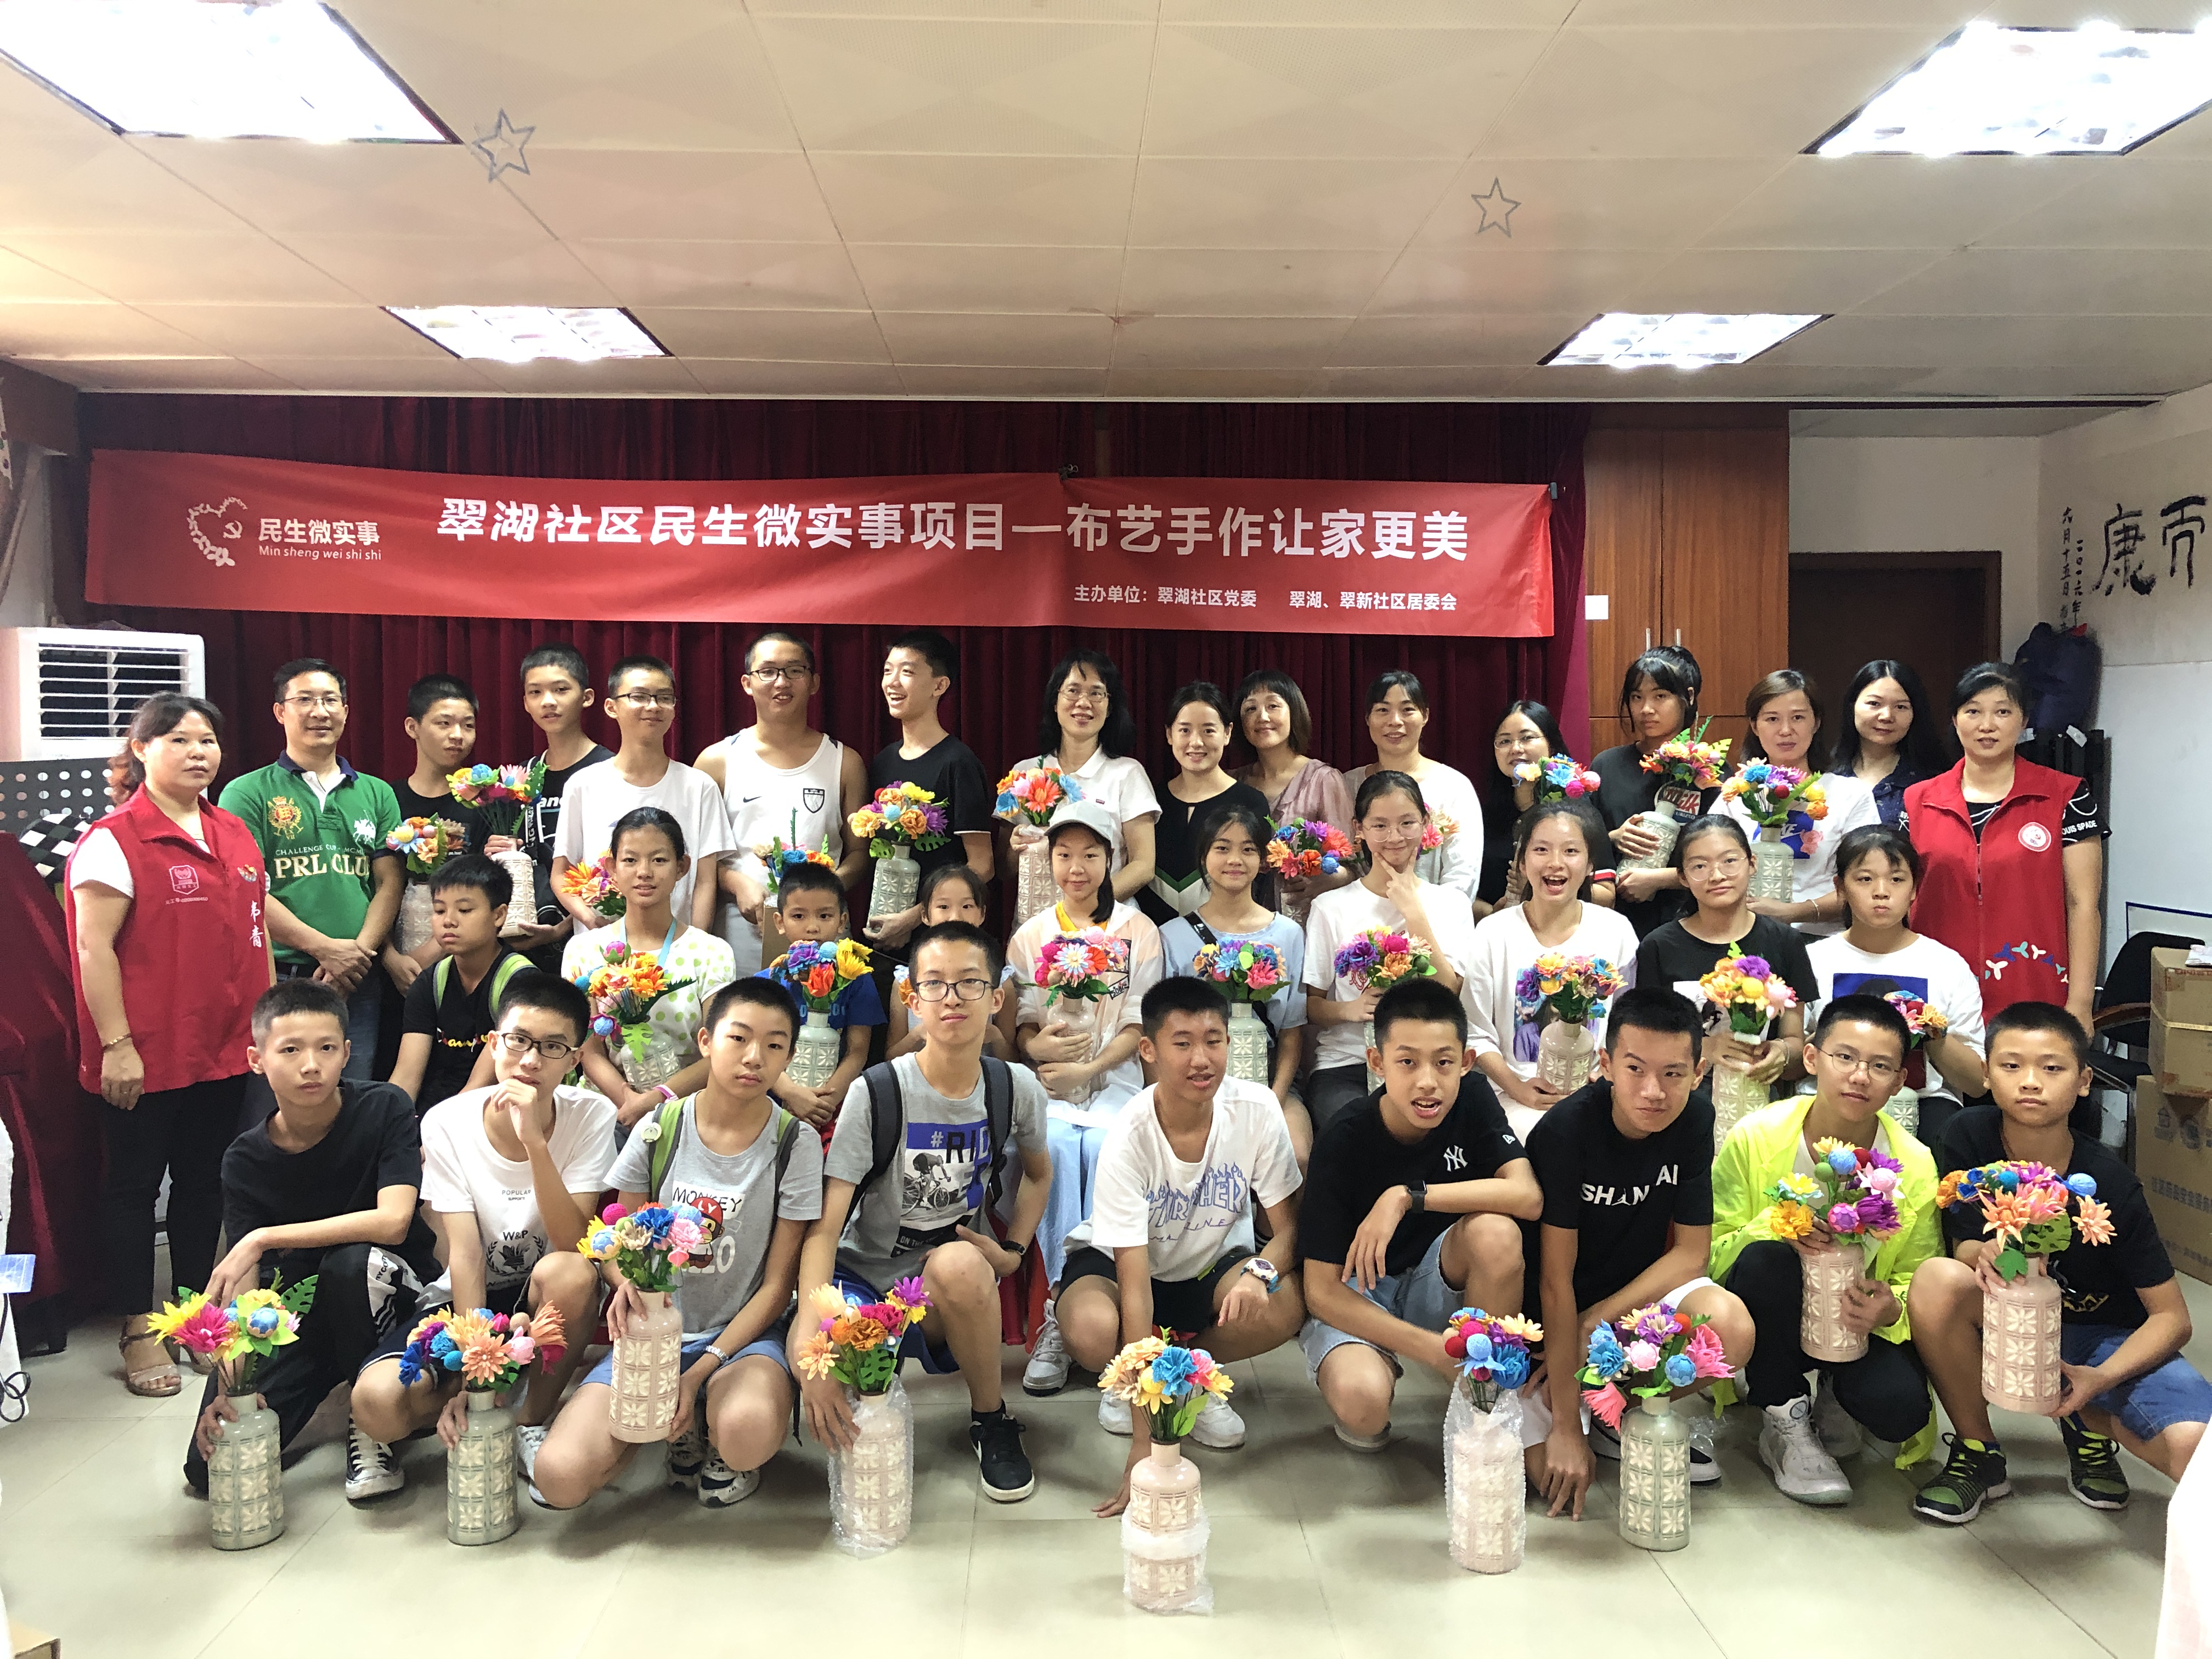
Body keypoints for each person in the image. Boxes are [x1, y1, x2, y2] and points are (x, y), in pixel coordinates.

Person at [1910, 1003, 2208, 1525]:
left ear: (2084, 1080)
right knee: (1939, 1281)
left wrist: (2099, 1378)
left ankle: (2087, 1424)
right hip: (2010, 1317)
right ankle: (1979, 1453)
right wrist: (1985, 1253)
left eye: (2052, 1068)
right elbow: (1962, 1242)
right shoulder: (1967, 1137)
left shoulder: (2109, 1182)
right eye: (2011, 1066)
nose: (2030, 1082)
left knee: (2193, 1446)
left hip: (2101, 1336)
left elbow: (2172, 1318)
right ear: (1986, 1073)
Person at [534, 979, 823, 1510]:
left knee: (745, 1433)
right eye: (739, 1038)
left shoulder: (794, 1143)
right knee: (559, 1477)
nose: (754, 1057)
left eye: (774, 1045)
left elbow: (778, 1287)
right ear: (706, 1041)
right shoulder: (660, 1125)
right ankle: (668, 1428)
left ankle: (713, 1419)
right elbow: (620, 1241)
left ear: (789, 1058)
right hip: (652, 1334)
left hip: (741, 1340)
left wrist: (697, 1372)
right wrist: (624, 1284)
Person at [796, 921, 1053, 1504]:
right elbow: (826, 1229)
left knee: (960, 1263)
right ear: (912, 999)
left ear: (997, 998)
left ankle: (991, 1419)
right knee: (848, 1404)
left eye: (970, 983)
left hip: (940, 1283)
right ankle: (872, 1376)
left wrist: (1013, 1252)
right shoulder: (876, 1091)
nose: (952, 998)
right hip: (862, 1279)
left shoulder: (1014, 1087)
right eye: (934, 984)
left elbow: (1039, 1175)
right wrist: (809, 1331)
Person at [67, 692, 270, 1398]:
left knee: (203, 1182)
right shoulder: (114, 839)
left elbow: (255, 932)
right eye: (179, 739)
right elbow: (93, 950)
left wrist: (263, 1032)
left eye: (207, 740)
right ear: (142, 749)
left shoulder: (234, 832)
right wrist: (116, 1045)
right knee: (133, 1188)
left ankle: (191, 1314)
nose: (197, 752)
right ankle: (136, 1325)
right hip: (144, 1052)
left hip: (223, 1048)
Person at [349, 972, 612, 1492]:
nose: (531, 1060)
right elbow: (465, 1256)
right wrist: (477, 1375)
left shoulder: (591, 1115)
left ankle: (528, 1421)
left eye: (553, 1047)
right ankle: (482, 1404)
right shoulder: (447, 1121)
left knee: (572, 1274)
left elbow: (572, 1243)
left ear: (575, 1060)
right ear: (494, 1043)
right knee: (377, 1404)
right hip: (466, 1296)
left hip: (543, 1293)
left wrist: (535, 1143)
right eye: (519, 1041)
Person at [179, 979, 441, 1502]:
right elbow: (247, 1291)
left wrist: (263, 1238)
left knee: (350, 1266)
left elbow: (393, 1221)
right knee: (212, 1468)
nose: (311, 1066)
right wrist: (232, 1389)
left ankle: (370, 1427)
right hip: (298, 1316)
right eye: (291, 1050)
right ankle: (334, 1385)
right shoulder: (244, 1159)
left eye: (326, 1048)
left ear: (347, 1052)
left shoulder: (384, 1107)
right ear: (257, 1060)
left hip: (393, 1294)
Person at [1056, 978, 1306, 1506]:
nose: (1201, 1059)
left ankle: (1190, 1375)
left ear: (1229, 1043)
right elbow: (1135, 1289)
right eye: (1183, 1043)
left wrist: (1260, 1274)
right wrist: (1147, 1444)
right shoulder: (1129, 1135)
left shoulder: (1257, 1109)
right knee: (1091, 1330)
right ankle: (1130, 1379)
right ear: (1149, 1050)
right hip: (1121, 1267)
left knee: (1284, 1303)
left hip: (1209, 1264)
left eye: (1213, 1041)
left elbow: (1289, 1230)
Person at [1525, 988, 1755, 1519]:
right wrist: (1564, 1426)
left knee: (1731, 1328)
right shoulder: (1566, 1131)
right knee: (1544, 1478)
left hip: (1624, 1306)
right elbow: (1554, 1279)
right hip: (1551, 1317)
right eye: (1635, 1069)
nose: (1654, 1091)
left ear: (1698, 1073)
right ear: (1606, 1064)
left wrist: (1594, 1324)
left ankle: (1616, 1413)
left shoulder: (1695, 1119)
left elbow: (1691, 1254)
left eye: (1673, 1074)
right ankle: (1577, 1413)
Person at [1710, 995, 1941, 1506]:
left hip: (1853, 1324)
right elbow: (1711, 1255)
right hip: (1775, 1308)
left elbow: (1920, 1273)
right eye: (1845, 1057)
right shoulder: (1756, 1136)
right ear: (1812, 1058)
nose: (1860, 1077)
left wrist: (1891, 1308)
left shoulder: (1914, 1163)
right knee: (1766, 1259)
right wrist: (1773, 1226)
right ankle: (1784, 1416)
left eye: (1880, 1066)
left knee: (1900, 1411)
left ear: (1899, 1082)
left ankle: (1835, 1389)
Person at [1297, 978, 1540, 1452]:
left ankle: (1484, 1413)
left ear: (1466, 1063)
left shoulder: (1472, 1097)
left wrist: (1407, 1197)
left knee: (1497, 1233)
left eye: (1443, 1062)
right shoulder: (1344, 1137)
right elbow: (1320, 1292)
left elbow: (1527, 1194)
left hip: (1436, 1281)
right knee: (1363, 1406)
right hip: (1363, 1290)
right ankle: (1383, 1366)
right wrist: (1433, 1351)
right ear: (1377, 1063)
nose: (1427, 1081)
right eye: (1407, 1062)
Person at [1008, 802, 1166, 1325]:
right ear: (1050, 860)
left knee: (1105, 1146)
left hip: (1115, 1080)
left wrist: (1090, 1069)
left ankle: (1102, 1292)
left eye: (1091, 855)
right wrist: (1037, 1049)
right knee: (1052, 1146)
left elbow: (1139, 1024)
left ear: (1111, 858)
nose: (1077, 868)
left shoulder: (1138, 930)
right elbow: (1023, 1022)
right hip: (1051, 1084)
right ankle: (1058, 1302)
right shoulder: (1030, 935)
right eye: (1064, 855)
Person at [218, 657, 403, 1078]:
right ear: (280, 712)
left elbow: (389, 884)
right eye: (305, 700)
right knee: (281, 1097)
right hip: (281, 977)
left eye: (330, 700)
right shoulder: (245, 792)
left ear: (346, 711)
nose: (320, 711)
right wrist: (325, 949)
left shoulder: (377, 793)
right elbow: (247, 891)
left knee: (351, 1093)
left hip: (359, 979)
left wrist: (355, 956)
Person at [1903, 663, 2106, 1035]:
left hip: (2034, 987)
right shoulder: (1917, 801)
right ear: (1955, 719)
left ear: (2024, 720)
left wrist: (2080, 1002)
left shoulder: (2066, 795)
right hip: (1937, 990)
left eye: (2002, 712)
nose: (1987, 725)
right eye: (1973, 711)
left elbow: (2083, 904)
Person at [1302, 771, 1477, 1135]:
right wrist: (1349, 1009)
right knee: (1363, 1133)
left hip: (1427, 1064)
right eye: (1380, 826)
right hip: (1348, 1064)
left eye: (1407, 823)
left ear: (1425, 824)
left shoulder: (1452, 904)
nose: (1395, 837)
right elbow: (1312, 1005)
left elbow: (1450, 991)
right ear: (1359, 829)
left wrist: (1413, 912)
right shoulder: (1329, 907)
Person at [1463, 801, 1639, 1141]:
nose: (1555, 863)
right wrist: (1517, 1088)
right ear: (1522, 862)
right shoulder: (1492, 933)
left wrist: (1606, 1078)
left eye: (1571, 851)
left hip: (1597, 1095)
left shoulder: (1616, 931)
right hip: (1510, 1096)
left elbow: (1627, 1023)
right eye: (1541, 849)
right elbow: (1476, 1031)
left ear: (1590, 864)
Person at [695, 629, 868, 975]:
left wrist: (822, 892)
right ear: (747, 683)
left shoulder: (845, 762)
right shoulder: (717, 761)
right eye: (768, 671)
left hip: (823, 934)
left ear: (814, 682)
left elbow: (859, 854)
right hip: (741, 931)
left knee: (822, 1010)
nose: (781, 682)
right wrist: (737, 884)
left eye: (794, 670)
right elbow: (697, 857)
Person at [1805, 825, 1987, 1149]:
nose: (1881, 892)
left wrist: (1932, 1033)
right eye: (1865, 879)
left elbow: (1976, 1084)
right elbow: (1795, 1064)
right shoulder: (1814, 960)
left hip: (1923, 1105)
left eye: (1897, 879)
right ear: (1840, 888)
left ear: (1915, 889)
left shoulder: (1947, 965)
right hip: (1831, 1102)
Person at [561, 808, 737, 1131]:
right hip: (606, 1111)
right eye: (630, 860)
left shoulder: (712, 952)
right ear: (612, 868)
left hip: (686, 1111)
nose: (644, 872)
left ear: (682, 867)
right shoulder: (584, 950)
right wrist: (627, 1100)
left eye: (659, 860)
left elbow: (718, 1049)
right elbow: (588, 1050)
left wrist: (657, 1099)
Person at [1158, 800, 1311, 1166]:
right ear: (1204, 857)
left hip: (1271, 1081)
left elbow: (1292, 1032)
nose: (1235, 860)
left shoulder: (1288, 934)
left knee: (1296, 1156)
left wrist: (1273, 1099)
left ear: (1263, 861)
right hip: (1196, 1083)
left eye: (1248, 850)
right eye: (1222, 848)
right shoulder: (1172, 935)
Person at [1634, 815, 1818, 1115]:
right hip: (1679, 1102)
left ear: (1752, 864)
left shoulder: (1786, 941)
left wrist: (1783, 1053)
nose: (1717, 875)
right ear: (1683, 877)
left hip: (1754, 1099)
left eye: (1730, 861)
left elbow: (1794, 1040)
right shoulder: (1659, 946)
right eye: (1699, 866)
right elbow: (1646, 1037)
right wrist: (1703, 1048)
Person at [550, 653, 735, 934]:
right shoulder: (583, 785)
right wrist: (591, 922)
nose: (653, 706)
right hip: (603, 948)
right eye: (639, 696)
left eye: (664, 698)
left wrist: (695, 943)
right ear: (611, 707)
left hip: (677, 947)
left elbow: (705, 881)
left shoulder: (700, 787)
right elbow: (561, 873)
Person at [1716, 670, 1880, 938]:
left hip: (1822, 938)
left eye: (1798, 718)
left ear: (1816, 723)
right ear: (1755, 726)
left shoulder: (1851, 794)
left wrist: (1795, 912)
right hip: (1744, 932)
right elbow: (1711, 864)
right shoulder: (1737, 793)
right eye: (1772, 719)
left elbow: (1868, 881)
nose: (1786, 730)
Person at [865, 630, 994, 951]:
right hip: (884, 932)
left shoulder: (958, 763)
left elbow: (983, 865)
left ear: (940, 686)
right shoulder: (883, 761)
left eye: (907, 672)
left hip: (941, 937)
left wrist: (913, 918)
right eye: (888, 671)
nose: (892, 682)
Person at [1006, 649, 1159, 909]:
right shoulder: (1025, 773)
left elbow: (1143, 866)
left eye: (1096, 693)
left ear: (1110, 708)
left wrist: (1087, 907)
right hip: (1037, 922)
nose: (1084, 702)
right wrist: (1015, 847)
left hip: (1107, 919)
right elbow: (1006, 869)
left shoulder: (1128, 773)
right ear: (1055, 702)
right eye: (1073, 691)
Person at [388, 854, 533, 1111]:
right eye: (439, 910)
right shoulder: (430, 983)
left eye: (464, 910)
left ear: (499, 915)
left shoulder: (522, 982)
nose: (448, 921)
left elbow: (478, 1087)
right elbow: (406, 1077)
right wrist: (390, 1123)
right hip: (432, 1112)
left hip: (492, 1112)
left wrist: (436, 1131)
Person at [754, 862, 885, 1137]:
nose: (812, 927)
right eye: (798, 916)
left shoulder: (856, 978)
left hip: (834, 1106)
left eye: (825, 916)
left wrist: (824, 1104)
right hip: (772, 1103)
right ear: (780, 922)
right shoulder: (765, 984)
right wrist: (791, 1093)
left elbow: (858, 1051)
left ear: (842, 921)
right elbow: (758, 1051)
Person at [1593, 646, 1712, 939]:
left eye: (1660, 696)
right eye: (1637, 697)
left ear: (1689, 697)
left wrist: (1661, 879)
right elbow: (1580, 841)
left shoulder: (1711, 773)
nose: (1646, 709)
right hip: (1618, 922)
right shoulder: (1607, 765)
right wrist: (1612, 838)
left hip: (1694, 922)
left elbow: (1731, 856)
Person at [1344, 670, 1483, 907]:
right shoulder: (1348, 785)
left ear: (1425, 716)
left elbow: (1462, 875)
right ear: (1368, 718)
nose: (1395, 721)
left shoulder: (1454, 786)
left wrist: (1423, 918)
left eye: (1407, 710)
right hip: (1359, 921)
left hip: (1432, 920)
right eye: (1383, 710)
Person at [1139, 680, 1269, 927]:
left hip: (1228, 940)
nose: (1196, 742)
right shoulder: (1149, 801)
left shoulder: (1250, 803)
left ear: (1227, 733)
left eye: (1208, 731)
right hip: (1150, 938)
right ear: (1169, 734)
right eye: (1185, 730)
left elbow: (1256, 882)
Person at [516, 643, 611, 974]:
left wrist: (565, 926)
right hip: (526, 942)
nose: (548, 701)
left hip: (593, 937)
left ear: (587, 697)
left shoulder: (610, 771)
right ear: (525, 702)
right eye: (536, 692)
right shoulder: (522, 777)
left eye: (560, 690)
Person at [1233, 668, 1355, 923]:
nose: (1262, 716)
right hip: (1240, 921)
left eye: (1273, 706)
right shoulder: (1233, 783)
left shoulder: (1323, 779)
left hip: (1306, 922)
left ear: (1294, 712)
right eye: (1251, 709)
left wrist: (1327, 878)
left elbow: (1354, 866)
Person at [884, 864, 1018, 1062]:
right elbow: (891, 1058)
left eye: (967, 907)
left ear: (982, 914)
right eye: (944, 907)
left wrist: (995, 1037)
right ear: (925, 915)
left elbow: (1013, 1061)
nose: (955, 917)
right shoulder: (905, 982)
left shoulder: (1001, 982)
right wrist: (918, 1035)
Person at [1832, 659, 1949, 830]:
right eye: (1874, 704)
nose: (1887, 716)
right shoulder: (1825, 777)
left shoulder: (1932, 784)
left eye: (1900, 707)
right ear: (1852, 706)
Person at [1480, 698, 1568, 911]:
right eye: (1504, 741)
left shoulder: (1575, 809)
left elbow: (1606, 894)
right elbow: (1466, 893)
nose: (1515, 749)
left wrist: (1537, 891)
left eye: (1527, 738)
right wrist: (1492, 913)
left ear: (1551, 743)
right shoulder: (1482, 816)